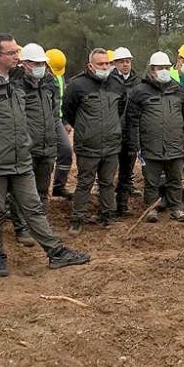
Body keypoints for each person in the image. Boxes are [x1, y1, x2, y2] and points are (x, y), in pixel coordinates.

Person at [0, 34, 89, 277]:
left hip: (20, 157)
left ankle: (55, 253)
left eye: (18, 52)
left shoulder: (17, 78)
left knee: (34, 207)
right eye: (13, 53)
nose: (18, 57)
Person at [125, 52, 184, 223]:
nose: (164, 71)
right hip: (150, 146)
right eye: (160, 68)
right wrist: (134, 145)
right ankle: (151, 209)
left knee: (175, 179)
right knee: (152, 181)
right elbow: (132, 120)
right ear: (152, 69)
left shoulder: (179, 89)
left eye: (166, 67)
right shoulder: (139, 91)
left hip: (175, 144)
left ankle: (176, 208)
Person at [63, 48, 123, 233]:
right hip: (88, 146)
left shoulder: (117, 84)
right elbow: (68, 111)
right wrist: (87, 130)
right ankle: (77, 219)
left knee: (107, 182)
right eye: (101, 64)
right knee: (84, 182)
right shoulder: (77, 85)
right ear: (90, 65)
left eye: (108, 63)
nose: (105, 67)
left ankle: (107, 216)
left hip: (112, 145)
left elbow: (120, 108)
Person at [8, 43, 59, 241]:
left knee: (42, 189)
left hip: (48, 145)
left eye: (42, 63)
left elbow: (54, 110)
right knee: (22, 192)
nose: (40, 67)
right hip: (27, 148)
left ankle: (41, 226)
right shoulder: (16, 85)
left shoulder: (48, 83)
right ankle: (21, 228)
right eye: (35, 63)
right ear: (24, 64)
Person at [111, 46, 141, 216]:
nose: (125, 65)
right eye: (121, 62)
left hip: (131, 134)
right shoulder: (108, 82)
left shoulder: (138, 83)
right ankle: (106, 207)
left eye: (127, 61)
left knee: (126, 173)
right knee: (107, 174)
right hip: (112, 134)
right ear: (115, 63)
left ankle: (122, 206)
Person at [46, 49, 74, 199]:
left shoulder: (60, 78)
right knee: (44, 158)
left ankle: (59, 186)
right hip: (42, 122)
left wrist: (65, 121)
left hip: (57, 120)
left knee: (66, 151)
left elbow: (61, 101)